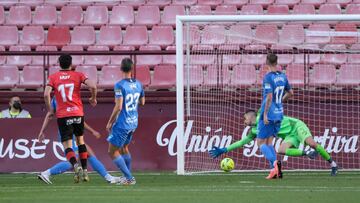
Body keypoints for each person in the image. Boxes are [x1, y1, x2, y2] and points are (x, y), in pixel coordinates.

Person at [209, 110, 338, 176]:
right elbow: (242, 142)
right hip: (289, 135)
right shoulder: (254, 130)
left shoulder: (263, 117)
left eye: (245, 118)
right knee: (281, 150)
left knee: (312, 143)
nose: (243, 121)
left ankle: (332, 164)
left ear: (251, 116)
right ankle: (306, 152)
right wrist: (224, 150)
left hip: (296, 126)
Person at [37, 97, 122, 184]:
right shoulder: (70, 96)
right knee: (72, 162)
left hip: (67, 130)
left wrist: (42, 131)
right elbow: (77, 119)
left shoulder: (56, 98)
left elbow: (49, 114)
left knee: (89, 153)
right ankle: (46, 173)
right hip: (69, 131)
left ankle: (108, 177)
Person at [44, 54, 97, 183]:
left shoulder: (53, 77)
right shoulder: (78, 75)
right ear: (71, 64)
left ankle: (75, 165)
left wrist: (50, 109)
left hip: (63, 116)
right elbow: (93, 86)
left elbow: (46, 94)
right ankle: (85, 171)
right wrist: (93, 98)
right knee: (80, 141)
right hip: (78, 113)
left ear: (59, 63)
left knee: (68, 146)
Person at [106, 58, 145, 185]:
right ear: (132, 69)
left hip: (122, 123)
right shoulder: (139, 84)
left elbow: (119, 106)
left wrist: (110, 122)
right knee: (124, 147)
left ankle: (129, 177)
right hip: (133, 122)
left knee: (112, 151)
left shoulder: (119, 85)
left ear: (121, 68)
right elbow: (142, 102)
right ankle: (126, 176)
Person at [256, 53, 293, 179]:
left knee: (260, 142)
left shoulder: (268, 78)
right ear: (276, 62)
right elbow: (290, 93)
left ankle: (274, 165)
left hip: (269, 114)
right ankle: (275, 170)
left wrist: (265, 114)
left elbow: (270, 96)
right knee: (269, 142)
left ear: (267, 62)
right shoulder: (283, 76)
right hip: (279, 113)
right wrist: (280, 102)